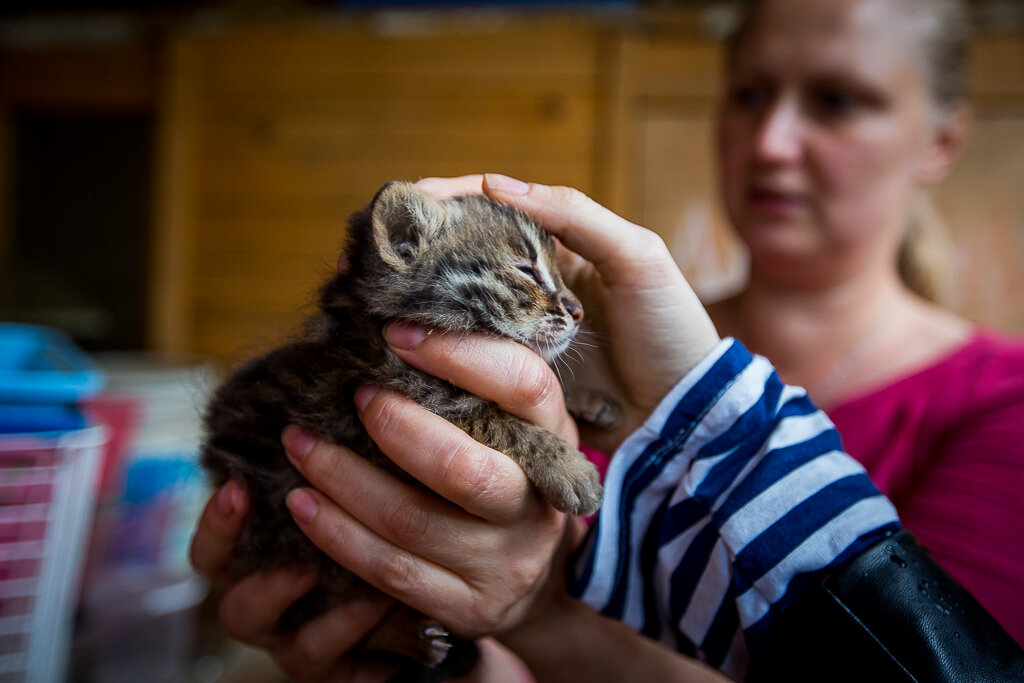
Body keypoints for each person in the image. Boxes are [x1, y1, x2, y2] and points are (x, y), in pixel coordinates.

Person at [189, 0, 1024, 680]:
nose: (772, 142)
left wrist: (544, 616)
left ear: (943, 138)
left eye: (839, 99)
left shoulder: (1004, 404)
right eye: (748, 93)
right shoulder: (588, 356)